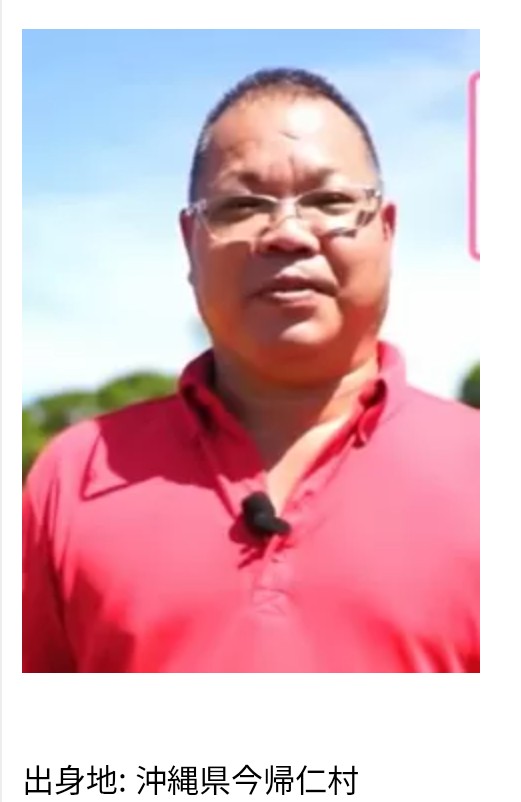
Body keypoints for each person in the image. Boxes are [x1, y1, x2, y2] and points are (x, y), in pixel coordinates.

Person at [23, 67, 479, 673]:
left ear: (387, 231)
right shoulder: (74, 477)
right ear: (190, 242)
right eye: (242, 205)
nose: (288, 233)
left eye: (330, 201)